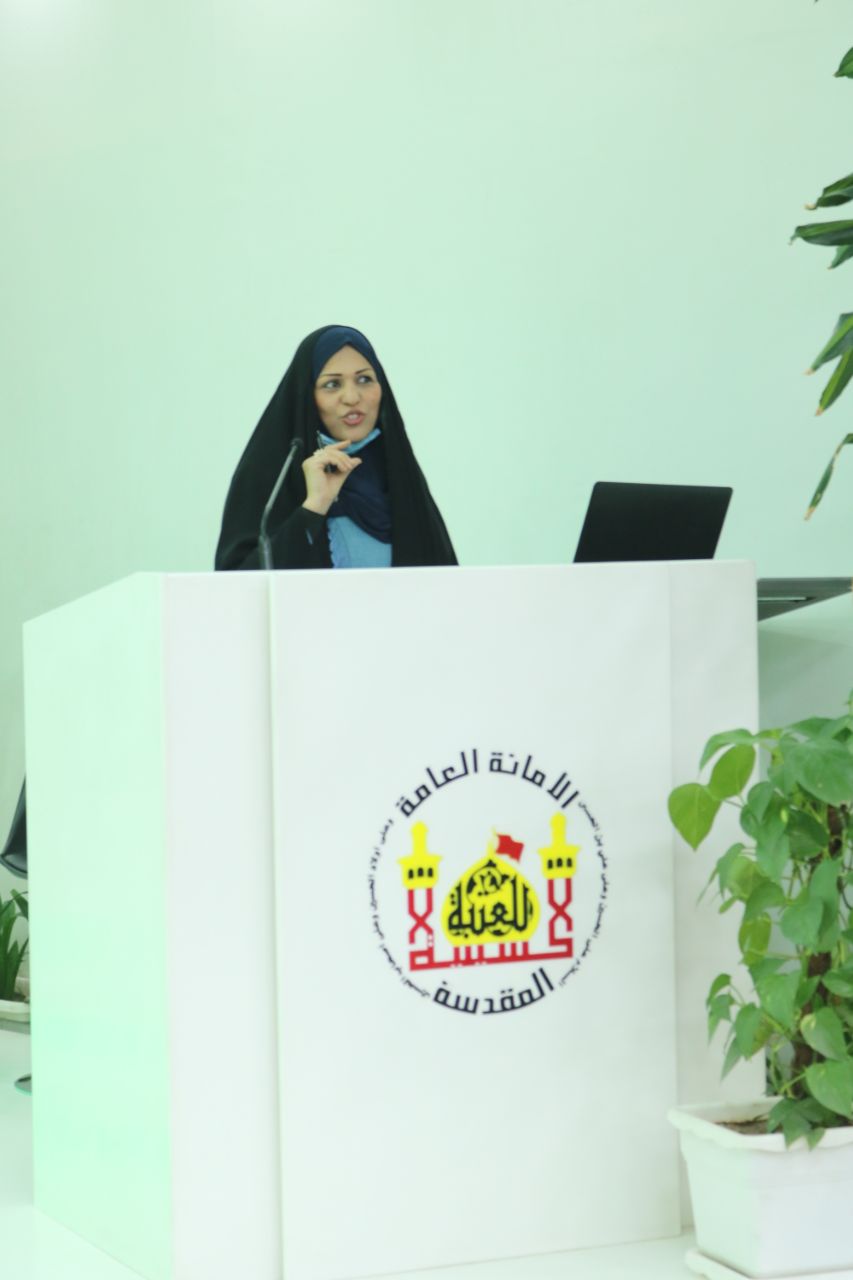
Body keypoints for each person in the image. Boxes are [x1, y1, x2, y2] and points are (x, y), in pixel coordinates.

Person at [215, 325, 457, 571]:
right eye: (332, 384)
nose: (352, 397)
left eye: (364, 379)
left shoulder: (400, 478)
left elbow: (447, 583)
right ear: (307, 396)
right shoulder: (272, 478)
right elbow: (236, 584)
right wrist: (314, 506)